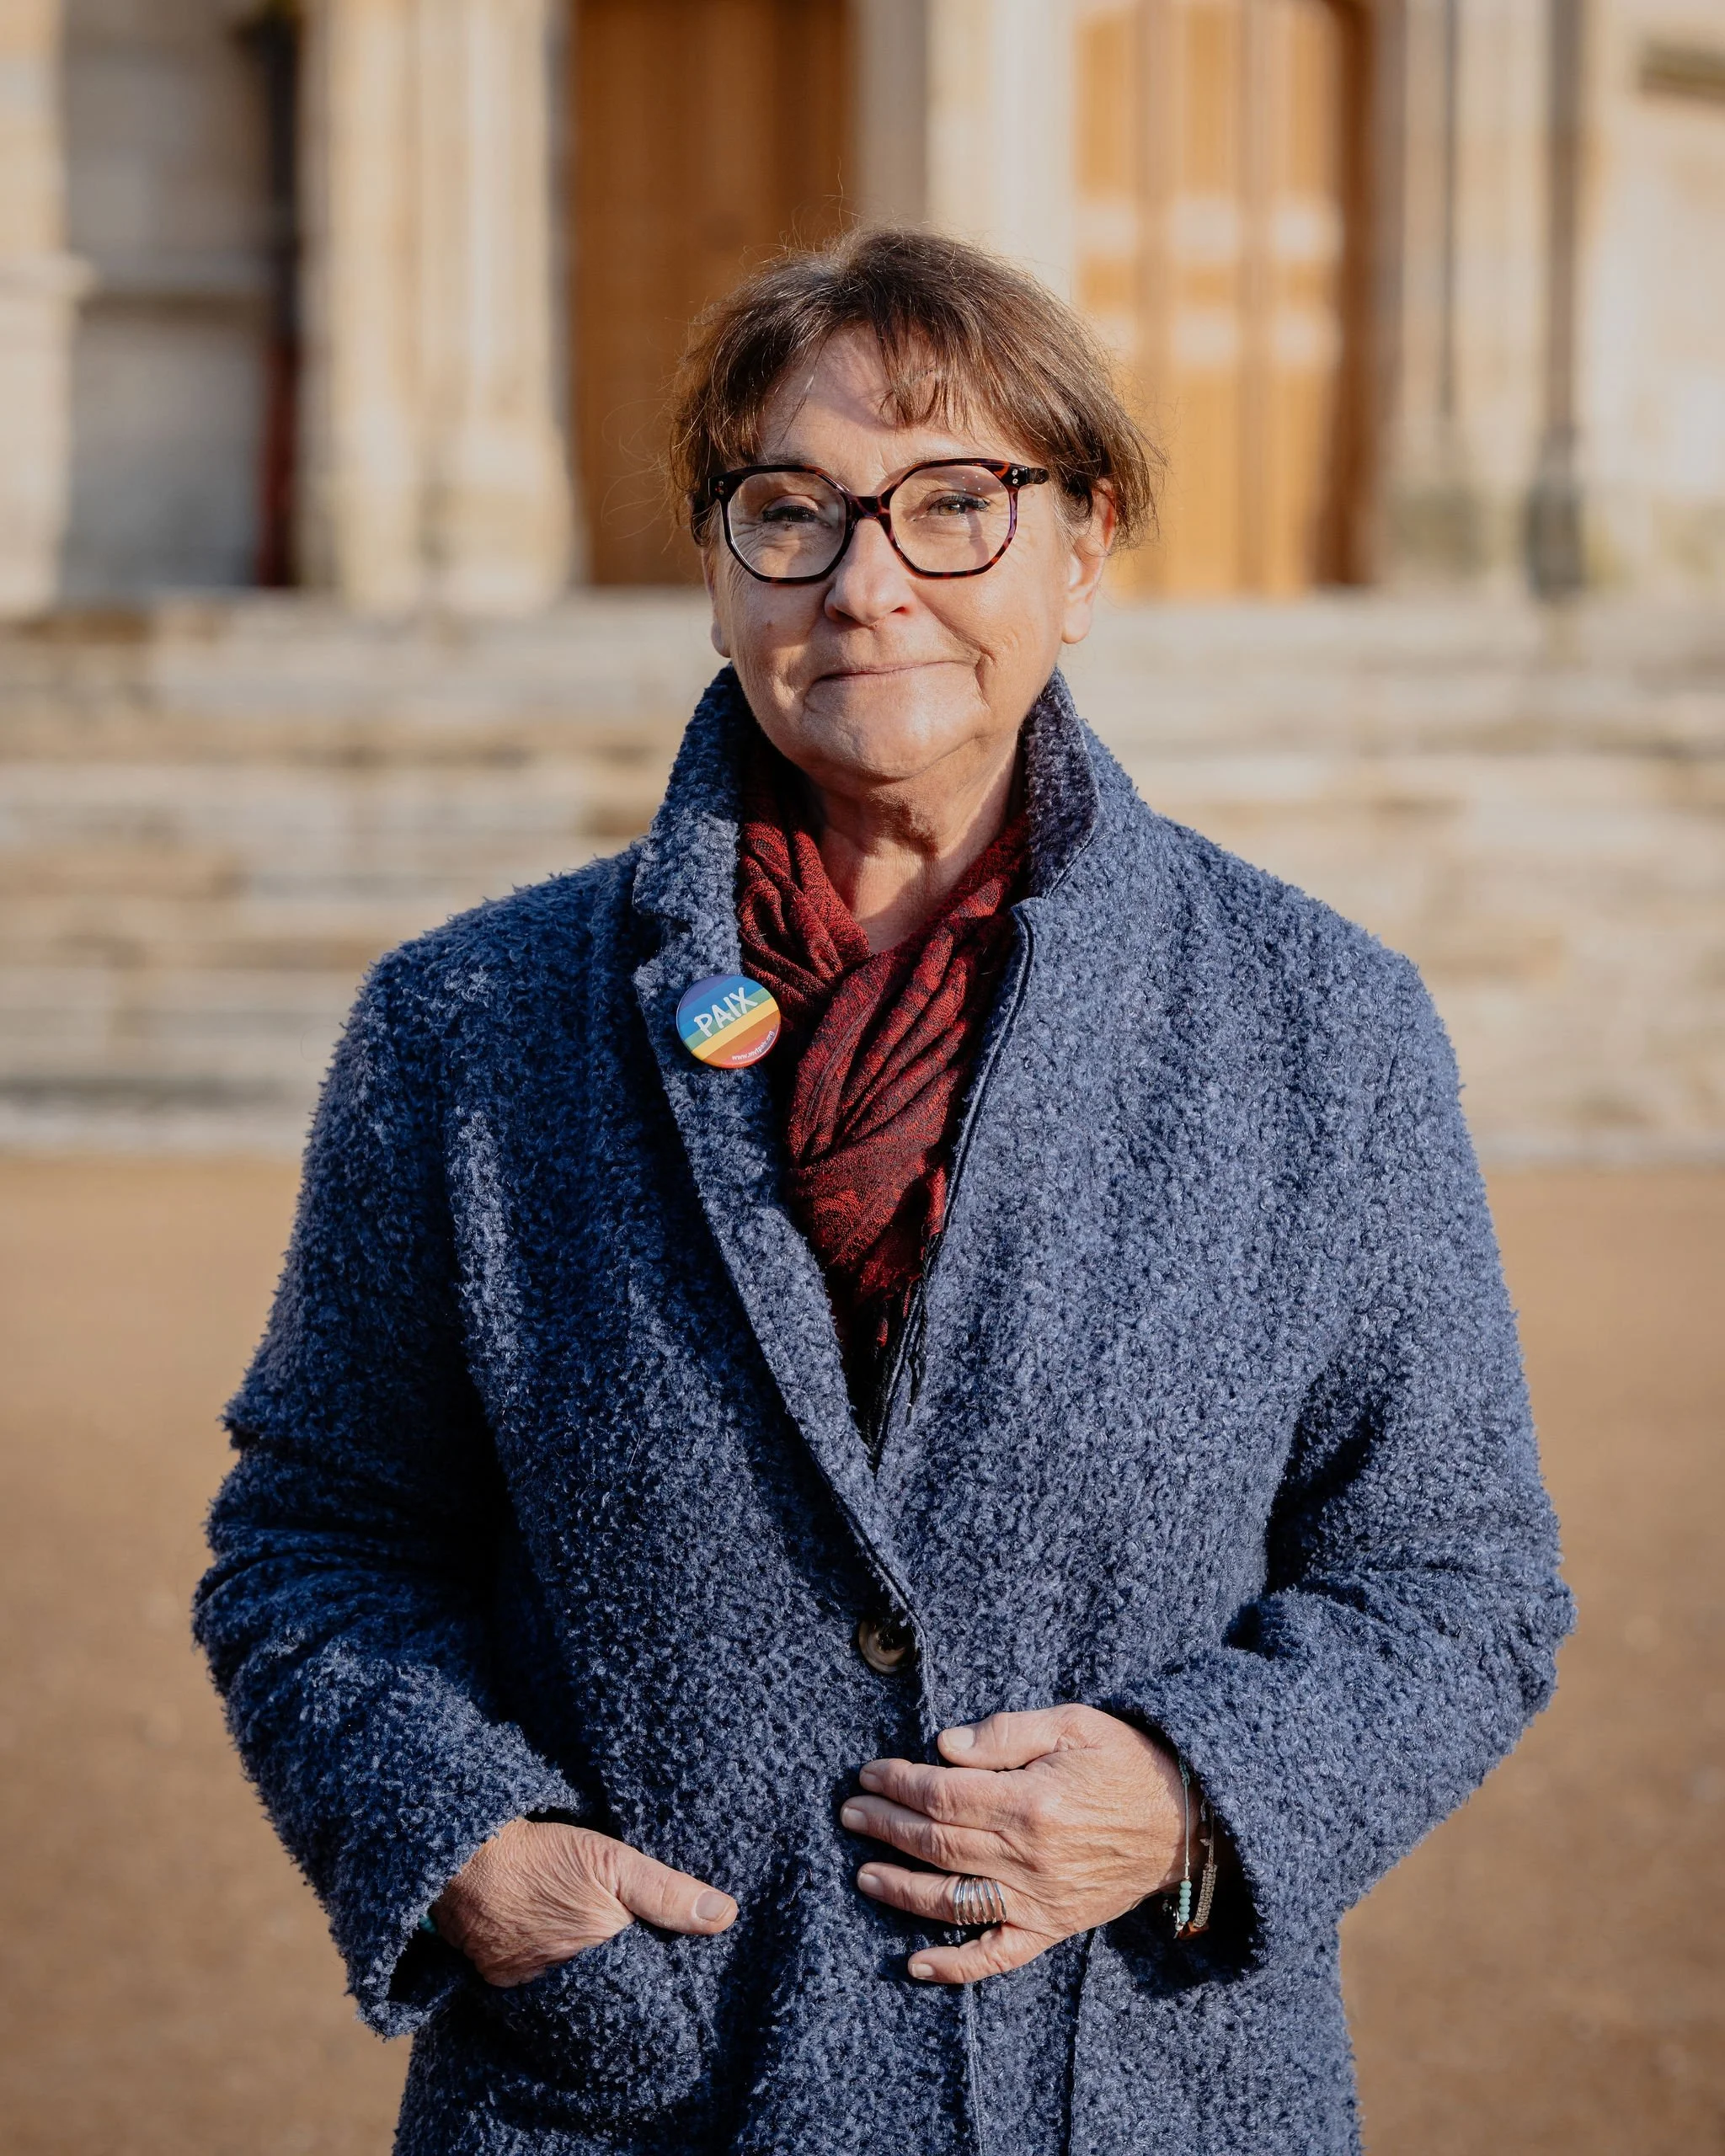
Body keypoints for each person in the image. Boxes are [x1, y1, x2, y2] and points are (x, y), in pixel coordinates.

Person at [194, 227, 1573, 2155]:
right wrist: (470, 1852)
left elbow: (1457, 1578)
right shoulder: (472, 1026)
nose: (865, 585)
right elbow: (316, 1537)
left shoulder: (1318, 1027)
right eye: (792, 510)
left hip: (1142, 2094)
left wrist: (1186, 1794)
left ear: (1083, 549)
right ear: (715, 562)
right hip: (638, 2096)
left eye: (954, 505)